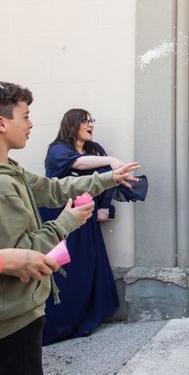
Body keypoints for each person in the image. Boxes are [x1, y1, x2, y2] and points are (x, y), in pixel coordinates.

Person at [0, 81, 140, 375]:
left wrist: (109, 178)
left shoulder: (11, 170)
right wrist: (68, 221)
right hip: (14, 319)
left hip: (25, 311)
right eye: (24, 116)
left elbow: (53, 188)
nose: (30, 124)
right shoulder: (4, 184)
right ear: (2, 122)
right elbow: (23, 255)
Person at [39, 108, 134, 345]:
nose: (91, 124)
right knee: (68, 273)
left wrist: (104, 207)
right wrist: (111, 160)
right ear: (71, 126)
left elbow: (107, 180)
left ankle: (86, 318)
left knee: (88, 267)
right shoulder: (58, 151)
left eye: (92, 120)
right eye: (85, 121)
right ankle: (61, 323)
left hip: (87, 219)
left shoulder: (95, 150)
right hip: (62, 219)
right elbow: (80, 166)